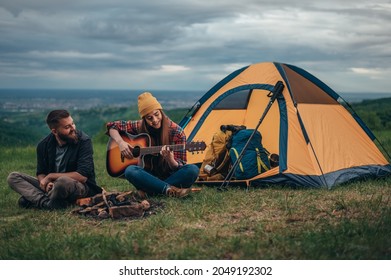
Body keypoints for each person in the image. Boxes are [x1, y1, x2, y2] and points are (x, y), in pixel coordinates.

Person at [106, 92, 199, 198]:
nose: (155, 120)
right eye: (149, 118)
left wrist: (170, 160)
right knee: (130, 171)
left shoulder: (177, 132)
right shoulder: (139, 126)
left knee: (192, 170)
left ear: (161, 111)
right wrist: (121, 143)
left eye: (156, 114)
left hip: (169, 175)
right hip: (147, 175)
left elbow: (180, 165)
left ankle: (153, 190)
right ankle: (168, 189)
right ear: (144, 119)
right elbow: (112, 126)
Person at [7, 109, 101, 210]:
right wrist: (46, 183)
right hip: (52, 187)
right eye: (67, 127)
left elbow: (83, 176)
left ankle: (39, 200)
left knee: (62, 181)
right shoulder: (43, 145)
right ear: (55, 131)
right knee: (13, 177)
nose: (73, 128)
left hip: (79, 186)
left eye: (73, 123)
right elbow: (41, 172)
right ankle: (49, 203)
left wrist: (51, 176)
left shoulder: (83, 141)